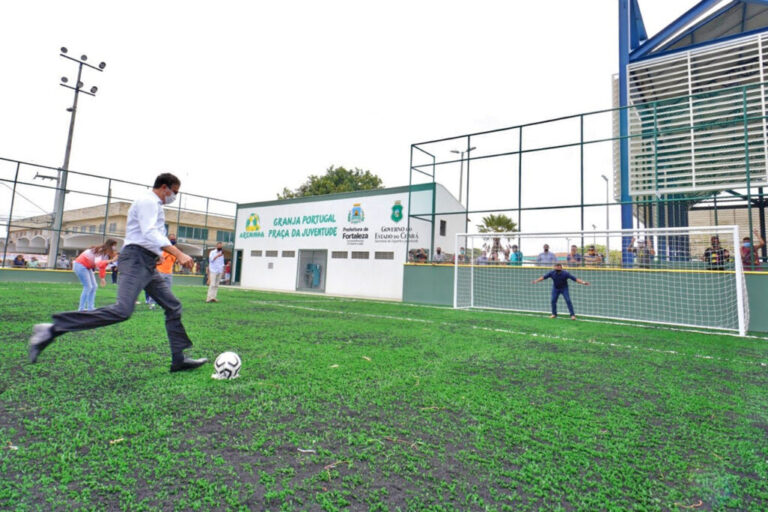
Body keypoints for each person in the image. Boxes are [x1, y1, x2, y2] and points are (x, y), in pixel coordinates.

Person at [28, 173, 207, 373]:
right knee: (123, 310)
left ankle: (179, 359)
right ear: (164, 187)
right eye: (174, 192)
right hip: (136, 260)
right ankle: (52, 329)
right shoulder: (148, 201)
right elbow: (149, 232)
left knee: (173, 306)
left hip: (146, 262)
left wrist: (158, 254)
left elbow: (148, 236)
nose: (174, 196)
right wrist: (178, 253)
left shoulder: (154, 205)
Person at [72, 239, 118, 311]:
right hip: (80, 265)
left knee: (94, 286)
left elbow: (102, 266)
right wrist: (111, 260)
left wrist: (102, 278)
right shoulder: (100, 250)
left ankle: (91, 308)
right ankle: (81, 309)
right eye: (114, 245)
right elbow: (99, 263)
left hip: (87, 267)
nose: (114, 248)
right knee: (88, 287)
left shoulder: (105, 254)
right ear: (110, 245)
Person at [145, 233, 178, 309]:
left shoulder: (175, 250)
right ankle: (152, 303)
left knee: (167, 290)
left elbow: (174, 260)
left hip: (169, 273)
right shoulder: (161, 248)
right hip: (159, 271)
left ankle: (163, 304)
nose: (173, 240)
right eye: (171, 239)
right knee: (156, 288)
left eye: (174, 239)